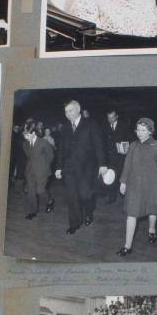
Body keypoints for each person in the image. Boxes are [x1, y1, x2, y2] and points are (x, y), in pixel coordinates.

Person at [117, 117, 157, 256]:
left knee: (152, 208)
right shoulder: (133, 145)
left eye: (143, 130)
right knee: (131, 213)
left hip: (153, 184)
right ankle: (127, 247)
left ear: (150, 131)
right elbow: (127, 165)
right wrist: (123, 181)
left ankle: (152, 229)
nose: (140, 133)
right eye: (138, 130)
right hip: (134, 185)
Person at [54, 100, 107, 235]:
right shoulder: (65, 128)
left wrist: (102, 164)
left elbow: (99, 145)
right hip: (69, 167)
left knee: (85, 194)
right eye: (66, 112)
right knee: (72, 197)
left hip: (87, 167)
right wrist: (59, 167)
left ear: (78, 109)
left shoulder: (91, 124)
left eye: (70, 111)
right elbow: (60, 149)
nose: (68, 114)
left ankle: (89, 211)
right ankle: (74, 223)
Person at [21, 122, 55, 220]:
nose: (26, 137)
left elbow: (51, 156)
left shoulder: (43, 142)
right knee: (31, 192)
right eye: (24, 135)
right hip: (30, 171)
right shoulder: (25, 143)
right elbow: (29, 157)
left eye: (27, 135)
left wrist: (45, 167)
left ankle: (50, 201)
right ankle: (33, 211)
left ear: (34, 133)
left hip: (42, 170)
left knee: (40, 190)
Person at [103, 109, 132, 205]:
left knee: (121, 177)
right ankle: (111, 197)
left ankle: (123, 195)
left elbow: (130, 139)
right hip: (109, 158)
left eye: (112, 117)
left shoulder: (124, 126)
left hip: (121, 157)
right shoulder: (104, 126)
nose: (110, 120)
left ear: (117, 116)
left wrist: (125, 147)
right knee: (110, 177)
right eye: (108, 118)